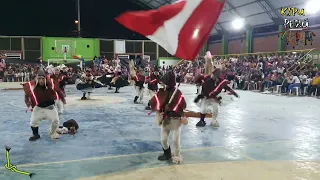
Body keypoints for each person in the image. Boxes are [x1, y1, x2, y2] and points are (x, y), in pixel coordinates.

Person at [149, 70, 187, 164]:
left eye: (164, 82)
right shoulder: (162, 92)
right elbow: (154, 102)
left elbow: (182, 104)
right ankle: (167, 153)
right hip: (166, 119)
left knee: (175, 140)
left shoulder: (177, 92)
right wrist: (161, 109)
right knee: (163, 139)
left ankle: (177, 155)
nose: (162, 84)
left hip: (176, 119)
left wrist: (171, 108)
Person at [23, 69, 66, 141]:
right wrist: (28, 104)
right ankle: (36, 134)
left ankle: (52, 132)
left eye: (42, 78)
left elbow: (58, 91)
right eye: (39, 79)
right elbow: (26, 95)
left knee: (55, 121)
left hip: (50, 107)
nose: (41, 81)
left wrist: (63, 99)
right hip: (38, 107)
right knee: (33, 122)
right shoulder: (32, 86)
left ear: (45, 78)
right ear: (37, 79)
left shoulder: (51, 84)